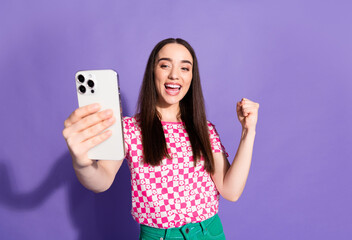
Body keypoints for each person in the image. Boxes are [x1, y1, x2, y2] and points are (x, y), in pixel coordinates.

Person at [62, 38, 259, 240]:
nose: (174, 75)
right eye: (165, 65)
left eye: (185, 68)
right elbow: (101, 180)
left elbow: (231, 191)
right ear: (152, 72)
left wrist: (248, 131)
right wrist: (82, 163)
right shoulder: (130, 129)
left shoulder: (205, 129)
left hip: (209, 233)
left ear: (192, 77)